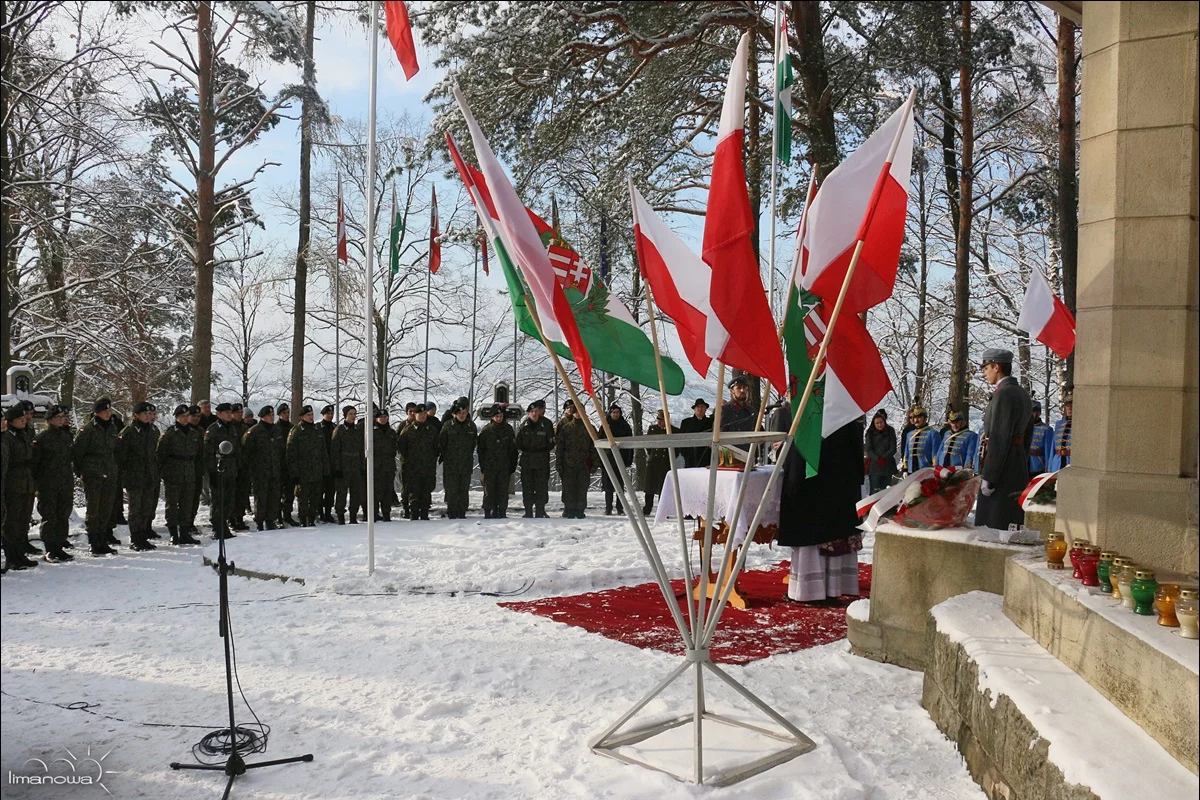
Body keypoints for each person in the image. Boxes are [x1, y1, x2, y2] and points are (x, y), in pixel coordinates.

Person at [774, 405, 864, 601]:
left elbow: (798, 454)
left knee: (814, 533)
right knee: (832, 530)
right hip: (840, 484)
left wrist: (785, 451)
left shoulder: (811, 411)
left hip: (814, 487)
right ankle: (833, 588)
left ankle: (810, 591)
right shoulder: (843, 408)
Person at [975, 348, 1033, 530]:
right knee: (1012, 522)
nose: (985, 373)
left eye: (986, 368)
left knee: (994, 524)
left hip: (1001, 469)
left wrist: (990, 476)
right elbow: (1028, 435)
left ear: (996, 367)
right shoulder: (1022, 393)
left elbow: (999, 437)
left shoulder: (1003, 394)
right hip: (1017, 464)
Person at [73, 397, 121, 554]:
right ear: (97, 413)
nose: (108, 414)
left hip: (109, 470)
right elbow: (78, 452)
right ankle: (94, 541)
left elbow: (115, 450)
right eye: (105, 411)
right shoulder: (88, 430)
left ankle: (102, 539)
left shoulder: (113, 428)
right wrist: (81, 472)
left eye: (109, 411)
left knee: (106, 507)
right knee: (94, 509)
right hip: (93, 472)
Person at [32, 405, 76, 560]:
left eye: (62, 417)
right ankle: (50, 548)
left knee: (63, 515)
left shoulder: (66, 437)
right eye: (58, 417)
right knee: (50, 516)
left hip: (64, 481)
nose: (61, 420)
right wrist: (37, 485)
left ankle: (59, 545)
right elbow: (35, 463)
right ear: (49, 420)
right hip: (47, 483)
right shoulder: (42, 438)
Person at [116, 401, 161, 550]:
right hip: (134, 475)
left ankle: (143, 535)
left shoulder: (153, 430)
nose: (148, 417)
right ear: (136, 415)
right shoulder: (128, 432)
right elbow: (121, 456)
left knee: (146, 507)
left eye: (150, 414)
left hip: (149, 474)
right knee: (135, 509)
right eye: (145, 414)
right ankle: (135, 538)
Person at [158, 404, 203, 544]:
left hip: (189, 471)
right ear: (176, 418)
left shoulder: (195, 434)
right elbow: (161, 455)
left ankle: (185, 532)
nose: (185, 419)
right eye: (182, 416)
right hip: (173, 472)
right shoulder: (170, 434)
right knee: (172, 504)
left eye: (187, 416)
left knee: (187, 504)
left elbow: (199, 455)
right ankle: (173, 533)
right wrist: (163, 472)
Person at [2, 406, 38, 568]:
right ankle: (12, 557)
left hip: (26, 482)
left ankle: (20, 553)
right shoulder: (8, 438)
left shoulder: (23, 435)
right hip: (13, 483)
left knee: (23, 520)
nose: (25, 421)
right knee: (12, 522)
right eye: (20, 419)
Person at [242, 405, 284, 530]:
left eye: (272, 415)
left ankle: (270, 520)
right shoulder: (254, 431)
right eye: (269, 415)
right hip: (259, 471)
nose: (271, 417)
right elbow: (245, 451)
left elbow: (280, 450)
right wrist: (252, 468)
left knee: (273, 496)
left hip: (274, 469)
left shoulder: (277, 430)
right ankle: (260, 521)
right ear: (262, 417)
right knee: (261, 497)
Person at [205, 402, 243, 537]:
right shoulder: (213, 429)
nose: (229, 414)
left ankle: (224, 524)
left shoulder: (232, 428)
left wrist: (238, 466)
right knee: (218, 500)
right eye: (226, 412)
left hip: (231, 468)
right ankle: (218, 527)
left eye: (230, 412)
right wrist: (212, 471)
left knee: (229, 500)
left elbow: (237, 449)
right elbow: (208, 452)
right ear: (219, 414)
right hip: (218, 469)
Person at [288, 405, 330, 527]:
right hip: (303, 472)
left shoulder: (317, 430)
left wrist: (325, 470)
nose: (311, 417)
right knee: (303, 498)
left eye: (312, 414)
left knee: (315, 497)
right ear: (302, 416)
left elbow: (323, 452)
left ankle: (312, 518)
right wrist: (294, 473)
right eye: (308, 415)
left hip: (316, 470)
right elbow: (291, 453)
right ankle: (303, 519)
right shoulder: (296, 431)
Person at [398, 403, 438, 520]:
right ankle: (414, 513)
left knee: (426, 490)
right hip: (412, 467)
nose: (422, 416)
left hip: (427, 466)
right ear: (415, 415)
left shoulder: (431, 430)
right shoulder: (407, 430)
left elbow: (436, 447)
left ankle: (425, 513)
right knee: (413, 491)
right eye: (419, 414)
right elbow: (402, 447)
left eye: (424, 413)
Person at [516, 399, 554, 518]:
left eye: (536, 411)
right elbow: (518, 443)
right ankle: (528, 510)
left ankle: (540, 510)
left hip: (541, 460)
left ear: (539, 412)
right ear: (528, 413)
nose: (534, 413)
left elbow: (551, 443)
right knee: (527, 487)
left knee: (541, 487)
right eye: (531, 411)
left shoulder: (547, 424)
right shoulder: (524, 426)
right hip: (527, 461)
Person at [439, 400, 478, 519]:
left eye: (464, 413)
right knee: (452, 490)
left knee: (463, 489)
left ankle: (462, 511)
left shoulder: (471, 426)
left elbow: (473, 444)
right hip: (451, 464)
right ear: (454, 414)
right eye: (460, 413)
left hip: (465, 462)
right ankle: (452, 511)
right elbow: (442, 443)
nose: (462, 415)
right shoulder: (447, 426)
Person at [477, 404, 517, 518]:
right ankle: (488, 511)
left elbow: (513, 449)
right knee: (489, 491)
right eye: (496, 416)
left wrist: (512, 465)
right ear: (492, 417)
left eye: (500, 416)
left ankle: (502, 511)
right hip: (490, 466)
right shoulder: (486, 431)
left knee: (503, 491)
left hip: (504, 466)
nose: (499, 418)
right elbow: (481, 450)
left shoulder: (508, 430)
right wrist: (483, 466)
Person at [555, 400, 593, 518]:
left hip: (584, 463)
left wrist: (594, 463)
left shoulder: (589, 428)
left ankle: (580, 510)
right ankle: (569, 509)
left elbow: (593, 446)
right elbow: (560, 448)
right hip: (568, 463)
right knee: (569, 488)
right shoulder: (566, 428)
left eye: (580, 412)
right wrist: (559, 463)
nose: (578, 414)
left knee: (582, 488)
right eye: (576, 412)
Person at [329, 406, 365, 525]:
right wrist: (337, 468)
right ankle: (340, 516)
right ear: (345, 415)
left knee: (356, 493)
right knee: (342, 493)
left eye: (354, 414)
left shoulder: (357, 430)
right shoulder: (339, 430)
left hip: (355, 465)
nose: (353, 416)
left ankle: (353, 515)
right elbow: (335, 450)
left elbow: (361, 450)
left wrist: (362, 466)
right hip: (343, 466)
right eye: (350, 414)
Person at [600, 403, 634, 514]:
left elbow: (630, 443)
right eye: (614, 412)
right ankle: (608, 508)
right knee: (608, 486)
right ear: (610, 413)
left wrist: (629, 459)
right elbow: (599, 441)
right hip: (608, 459)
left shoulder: (624, 425)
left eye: (617, 412)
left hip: (621, 458)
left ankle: (620, 507)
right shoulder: (605, 425)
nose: (616, 414)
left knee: (620, 485)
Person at [642, 409, 672, 515]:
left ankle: (662, 510)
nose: (659, 422)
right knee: (649, 487)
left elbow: (676, 449)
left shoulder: (673, 430)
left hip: (666, 462)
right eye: (658, 419)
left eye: (662, 420)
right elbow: (648, 445)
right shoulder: (652, 429)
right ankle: (647, 508)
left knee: (663, 488)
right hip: (653, 461)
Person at [372, 407, 399, 521]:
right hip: (375, 467)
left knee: (387, 491)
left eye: (385, 417)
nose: (383, 419)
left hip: (388, 466)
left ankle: (386, 513)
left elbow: (395, 448)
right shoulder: (371, 432)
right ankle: (374, 514)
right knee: (375, 492)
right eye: (380, 417)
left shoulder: (392, 432)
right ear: (376, 418)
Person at [276, 402, 298, 526]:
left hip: (290, 465)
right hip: (279, 465)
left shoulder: (292, 428)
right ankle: (277, 516)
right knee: (277, 493)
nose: (286, 415)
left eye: (288, 412)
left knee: (289, 493)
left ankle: (287, 515)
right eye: (284, 413)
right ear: (279, 414)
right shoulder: (275, 428)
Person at [864, 410, 897, 493]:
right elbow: (869, 449)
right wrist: (878, 458)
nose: (879, 425)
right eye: (877, 423)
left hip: (888, 465)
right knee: (875, 491)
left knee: (886, 491)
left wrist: (884, 457)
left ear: (884, 421)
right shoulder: (870, 433)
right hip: (875, 467)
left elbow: (893, 448)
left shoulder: (890, 431)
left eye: (881, 422)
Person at [901, 406, 941, 474]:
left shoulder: (933, 434)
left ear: (925, 418)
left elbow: (935, 455)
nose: (916, 420)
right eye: (915, 417)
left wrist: (934, 469)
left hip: (926, 470)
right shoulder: (909, 434)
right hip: (911, 470)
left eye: (919, 417)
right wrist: (905, 468)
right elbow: (906, 453)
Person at [397, 402, 418, 517]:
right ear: (407, 413)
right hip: (406, 461)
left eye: (415, 411)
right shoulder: (403, 426)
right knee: (406, 486)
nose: (413, 413)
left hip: (418, 462)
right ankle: (405, 507)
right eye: (410, 411)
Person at [679, 398, 713, 468]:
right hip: (690, 458)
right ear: (694, 409)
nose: (700, 409)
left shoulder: (711, 422)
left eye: (702, 407)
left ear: (705, 409)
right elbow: (681, 439)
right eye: (698, 407)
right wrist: (685, 453)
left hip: (706, 457)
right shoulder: (686, 423)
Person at [318, 404, 337, 523]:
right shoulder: (317, 428)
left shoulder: (335, 428)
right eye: (328, 414)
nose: (330, 416)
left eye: (331, 414)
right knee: (320, 490)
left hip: (332, 463)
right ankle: (320, 513)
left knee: (330, 491)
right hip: (320, 464)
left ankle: (328, 512)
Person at [1027, 401, 1054, 474]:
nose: (1034, 414)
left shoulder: (1047, 429)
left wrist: (1048, 469)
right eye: (1032, 411)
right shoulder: (1023, 427)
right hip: (1024, 464)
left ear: (1039, 413)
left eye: (1036, 411)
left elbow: (1048, 451)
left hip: (1038, 465)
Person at [1048, 392, 1073, 472]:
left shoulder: (1080, 424)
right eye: (1067, 406)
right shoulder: (1059, 423)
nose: (1069, 408)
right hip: (1057, 462)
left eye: (1072, 406)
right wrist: (1050, 466)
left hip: (1071, 462)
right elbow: (1053, 446)